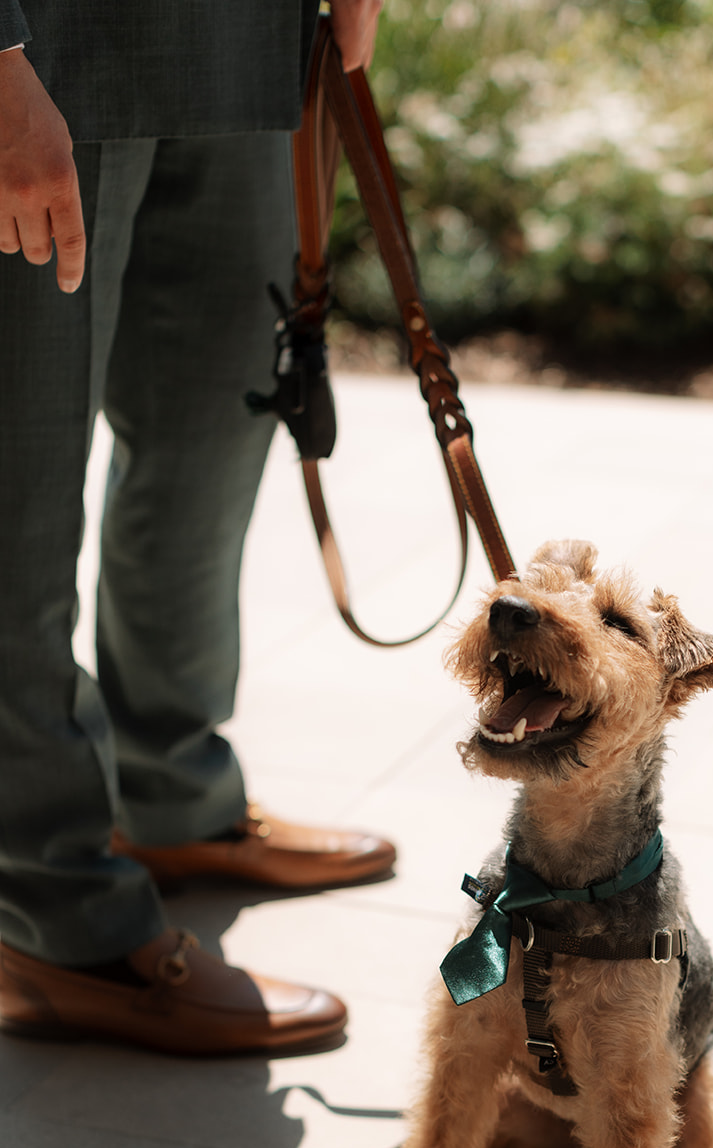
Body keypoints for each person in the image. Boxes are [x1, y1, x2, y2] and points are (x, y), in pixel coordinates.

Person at [0, 0, 390, 1054]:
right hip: (41, 53)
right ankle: (53, 916)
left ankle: (168, 787)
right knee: (19, 507)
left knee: (215, 428)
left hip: (233, 41)